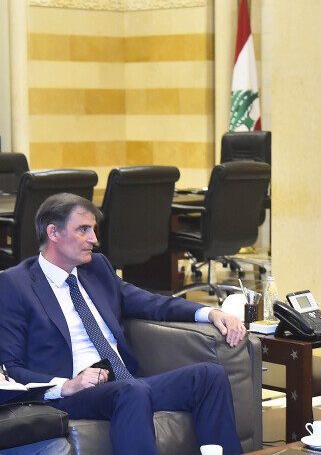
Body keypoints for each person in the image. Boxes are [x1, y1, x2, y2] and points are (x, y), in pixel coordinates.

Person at [0, 193, 247, 455]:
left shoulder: (97, 268)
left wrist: (210, 312)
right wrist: (67, 385)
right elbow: (11, 368)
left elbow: (151, 302)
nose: (94, 239)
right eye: (83, 230)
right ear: (53, 233)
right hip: (71, 394)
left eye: (93, 230)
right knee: (132, 391)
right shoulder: (15, 284)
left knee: (209, 376)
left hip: (126, 384)